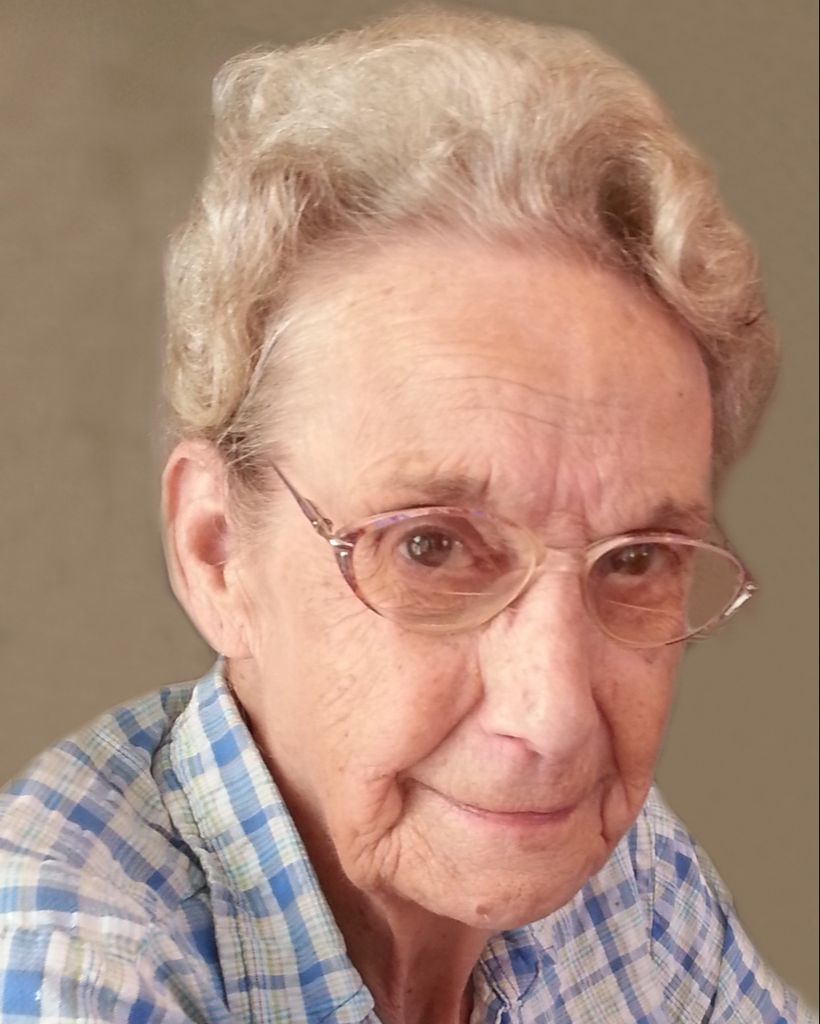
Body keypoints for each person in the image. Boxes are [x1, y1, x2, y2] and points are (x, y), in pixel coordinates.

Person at [0, 9, 815, 1023]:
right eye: (430, 547)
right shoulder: (70, 982)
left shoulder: (625, 877)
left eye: (636, 558)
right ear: (217, 554)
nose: (554, 719)